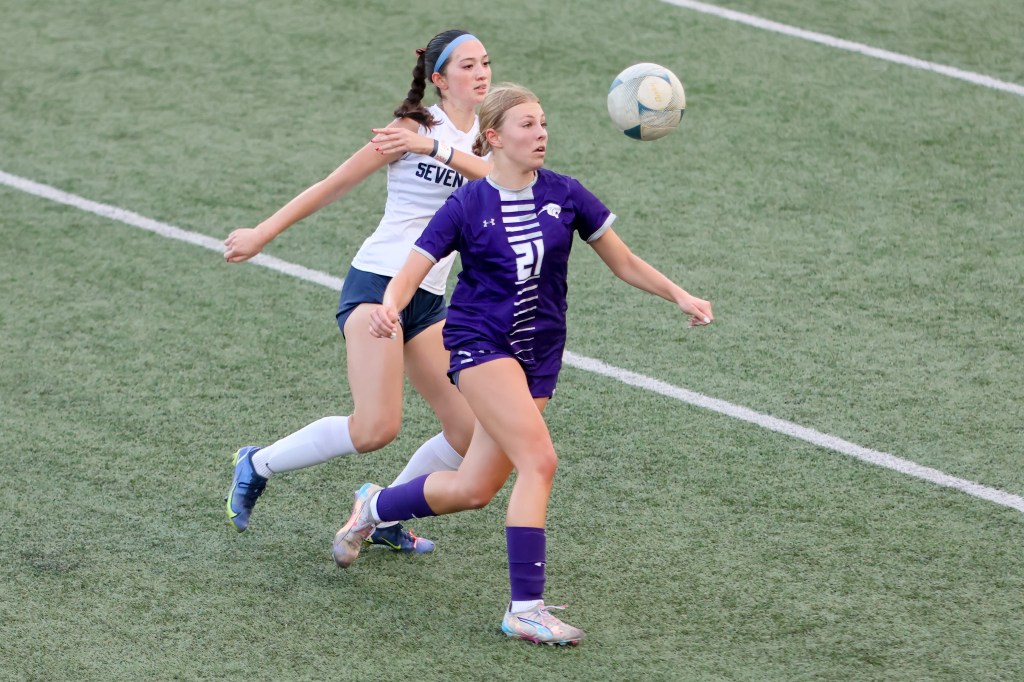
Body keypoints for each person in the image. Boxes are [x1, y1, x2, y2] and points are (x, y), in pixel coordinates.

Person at [330, 83, 714, 645]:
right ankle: (525, 609)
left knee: (473, 488)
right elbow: (412, 269)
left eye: (543, 124)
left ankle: (375, 506)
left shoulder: (566, 194)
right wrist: (390, 308)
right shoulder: (467, 204)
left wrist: (679, 295)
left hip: (539, 354)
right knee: (540, 460)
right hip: (479, 345)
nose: (541, 134)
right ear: (494, 138)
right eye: (527, 125)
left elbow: (623, 260)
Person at [223, 30, 494, 553]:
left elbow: (511, 178)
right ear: (439, 79)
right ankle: (256, 463)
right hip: (377, 285)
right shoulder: (408, 129)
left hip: (430, 299)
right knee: (375, 428)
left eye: (484, 63)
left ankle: (386, 511)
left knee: (470, 434)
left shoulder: (484, 135)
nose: (481, 73)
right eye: (467, 65)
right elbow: (334, 184)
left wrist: (432, 148)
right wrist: (262, 234)